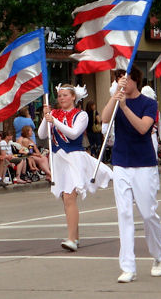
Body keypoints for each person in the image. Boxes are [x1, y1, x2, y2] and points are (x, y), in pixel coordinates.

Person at [102, 66, 161, 283]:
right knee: (124, 214)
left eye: (126, 79)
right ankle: (128, 266)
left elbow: (142, 128)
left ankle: (159, 256)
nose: (122, 82)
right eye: (119, 79)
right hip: (120, 163)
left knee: (148, 214)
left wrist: (125, 107)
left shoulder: (149, 103)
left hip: (144, 164)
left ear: (135, 80)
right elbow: (104, 118)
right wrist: (115, 99)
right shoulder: (117, 100)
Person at [39, 83, 112, 252]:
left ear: (73, 97)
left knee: (70, 196)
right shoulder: (53, 114)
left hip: (73, 157)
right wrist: (45, 117)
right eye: (59, 95)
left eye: (65, 95)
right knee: (66, 200)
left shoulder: (82, 115)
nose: (61, 98)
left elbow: (73, 133)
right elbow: (42, 134)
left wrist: (54, 120)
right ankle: (76, 237)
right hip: (58, 159)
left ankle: (71, 239)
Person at [141, 86, 161, 159]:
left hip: (153, 138)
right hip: (141, 138)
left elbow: (160, 130)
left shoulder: (157, 112)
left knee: (153, 158)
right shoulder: (139, 111)